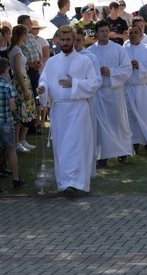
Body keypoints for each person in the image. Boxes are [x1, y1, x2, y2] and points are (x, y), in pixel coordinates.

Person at [37, 26, 100, 195]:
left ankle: (78, 183)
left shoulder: (84, 61)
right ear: (58, 40)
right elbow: (44, 80)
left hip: (78, 110)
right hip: (59, 111)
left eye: (68, 40)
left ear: (73, 40)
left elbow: (94, 84)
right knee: (62, 147)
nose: (65, 43)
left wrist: (75, 83)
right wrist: (42, 88)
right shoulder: (52, 62)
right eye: (62, 40)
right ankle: (65, 184)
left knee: (77, 146)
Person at [89, 21, 132, 166]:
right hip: (98, 93)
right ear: (96, 33)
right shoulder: (90, 52)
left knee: (117, 122)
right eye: (101, 31)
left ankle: (121, 151)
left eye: (106, 31)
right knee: (100, 125)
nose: (104, 33)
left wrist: (111, 72)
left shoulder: (119, 49)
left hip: (114, 92)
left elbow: (127, 69)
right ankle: (102, 155)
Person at [0, 58, 24, 194]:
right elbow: (13, 107)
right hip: (6, 122)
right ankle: (16, 178)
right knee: (11, 150)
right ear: (6, 70)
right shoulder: (8, 87)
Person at [123, 24, 147, 153]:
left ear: (141, 34)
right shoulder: (123, 50)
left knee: (145, 114)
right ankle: (134, 142)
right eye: (131, 32)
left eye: (135, 32)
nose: (133, 35)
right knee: (130, 116)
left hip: (143, 88)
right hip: (128, 88)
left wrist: (141, 66)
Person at [9, 25, 37, 154]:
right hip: (21, 82)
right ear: (22, 34)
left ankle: (21, 140)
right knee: (20, 112)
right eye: (26, 34)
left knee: (23, 112)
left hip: (23, 80)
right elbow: (18, 72)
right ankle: (17, 142)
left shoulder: (17, 49)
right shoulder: (16, 50)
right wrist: (25, 89)